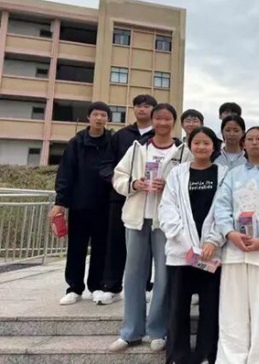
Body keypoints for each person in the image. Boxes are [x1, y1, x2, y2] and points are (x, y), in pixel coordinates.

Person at [108, 103, 192, 353]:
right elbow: (118, 176)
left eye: (168, 119)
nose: (163, 123)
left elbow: (191, 184)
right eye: (159, 118)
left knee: (164, 276)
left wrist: (170, 186)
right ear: (152, 121)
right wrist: (134, 184)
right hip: (136, 219)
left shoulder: (182, 153)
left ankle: (157, 330)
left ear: (174, 122)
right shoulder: (137, 149)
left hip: (166, 222)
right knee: (134, 274)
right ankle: (131, 331)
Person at [213, 127, 259, 364]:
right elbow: (221, 206)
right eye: (250, 139)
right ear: (244, 144)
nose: (254, 143)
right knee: (232, 310)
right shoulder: (232, 174)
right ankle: (230, 359)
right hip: (235, 250)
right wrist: (230, 233)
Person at [159, 126, 226, 364]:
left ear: (213, 146)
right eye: (196, 143)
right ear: (189, 145)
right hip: (181, 253)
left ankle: (206, 353)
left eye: (206, 143)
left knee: (210, 306)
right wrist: (186, 243)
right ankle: (179, 355)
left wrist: (213, 240)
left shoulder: (224, 174)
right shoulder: (177, 174)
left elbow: (226, 211)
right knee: (178, 306)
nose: (201, 147)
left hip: (211, 254)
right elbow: (167, 209)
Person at [50, 102, 113, 305]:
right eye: (96, 114)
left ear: (108, 119)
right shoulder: (76, 143)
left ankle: (97, 286)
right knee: (76, 247)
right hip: (79, 204)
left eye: (103, 115)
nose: (99, 118)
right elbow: (65, 173)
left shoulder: (112, 142)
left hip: (105, 205)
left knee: (101, 248)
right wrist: (60, 201)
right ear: (88, 117)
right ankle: (74, 288)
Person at [98, 93, 157, 305]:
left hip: (148, 198)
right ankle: (112, 287)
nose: (142, 109)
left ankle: (146, 286)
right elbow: (107, 164)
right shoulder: (121, 136)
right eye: (138, 106)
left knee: (146, 245)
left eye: (147, 106)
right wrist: (116, 180)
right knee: (115, 242)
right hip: (120, 196)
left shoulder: (159, 136)